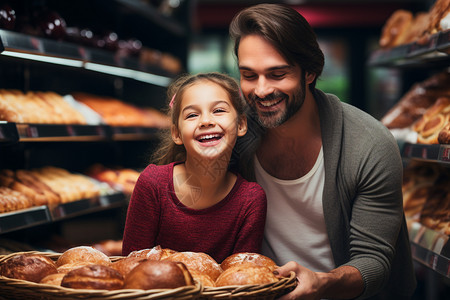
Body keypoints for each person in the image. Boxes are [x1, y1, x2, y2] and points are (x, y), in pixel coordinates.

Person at [229, 4, 416, 300]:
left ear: (310, 72)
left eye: (277, 74)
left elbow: (374, 262)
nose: (261, 90)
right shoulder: (234, 135)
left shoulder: (368, 143)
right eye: (249, 75)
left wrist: (321, 282)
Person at [121, 72, 267, 263]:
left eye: (219, 111)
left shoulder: (251, 200)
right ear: (176, 134)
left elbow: (242, 278)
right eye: (192, 115)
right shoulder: (153, 184)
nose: (206, 121)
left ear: (240, 124)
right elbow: (130, 268)